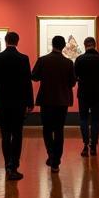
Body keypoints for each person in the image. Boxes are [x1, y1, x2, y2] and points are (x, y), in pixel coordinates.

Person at [0, 31, 33, 180]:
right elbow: (27, 82)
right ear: (17, 41)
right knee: (17, 134)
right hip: (19, 102)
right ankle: (14, 166)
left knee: (5, 134)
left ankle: (7, 165)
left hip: (2, 101)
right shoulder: (23, 58)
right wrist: (30, 102)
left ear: (6, 41)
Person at [31, 35, 76, 173]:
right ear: (63, 46)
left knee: (47, 129)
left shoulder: (43, 60)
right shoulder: (68, 63)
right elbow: (72, 83)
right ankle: (56, 161)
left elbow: (34, 76)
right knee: (59, 130)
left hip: (46, 100)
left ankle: (51, 154)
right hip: (62, 100)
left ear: (52, 44)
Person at [73, 36, 99, 156]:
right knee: (96, 119)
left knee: (83, 119)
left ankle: (85, 146)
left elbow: (74, 77)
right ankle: (93, 146)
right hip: (98, 93)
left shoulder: (79, 59)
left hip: (83, 93)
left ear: (85, 45)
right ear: (95, 45)